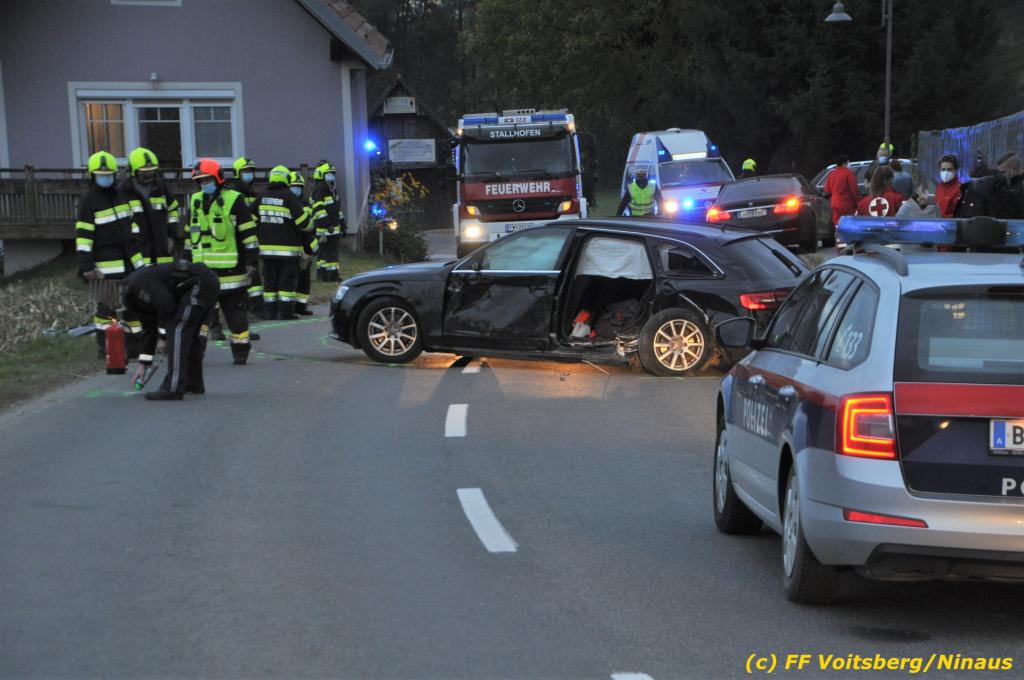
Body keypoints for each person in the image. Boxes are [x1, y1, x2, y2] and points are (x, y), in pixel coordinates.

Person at [185, 158, 258, 364]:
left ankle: (240, 352)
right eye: (200, 181)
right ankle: (196, 354)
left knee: (236, 317)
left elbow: (248, 232)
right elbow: (190, 236)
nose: (203, 184)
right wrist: (186, 262)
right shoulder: (195, 201)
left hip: (232, 272)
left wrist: (251, 260)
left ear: (217, 179)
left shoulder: (234, 200)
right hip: (203, 273)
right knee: (200, 318)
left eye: (207, 179)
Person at [75, 150, 145, 357]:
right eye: (100, 175)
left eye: (108, 175)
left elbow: (132, 227)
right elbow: (84, 236)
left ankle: (134, 349)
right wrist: (87, 266)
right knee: (107, 311)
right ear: (92, 175)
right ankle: (106, 351)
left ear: (115, 174)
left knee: (133, 307)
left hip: (130, 264)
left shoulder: (120, 194)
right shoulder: (88, 199)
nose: (105, 178)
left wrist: (139, 261)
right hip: (104, 266)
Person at [123, 260, 219, 401]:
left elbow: (167, 305)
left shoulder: (139, 284)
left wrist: (164, 338)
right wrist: (143, 364)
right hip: (201, 284)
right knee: (189, 335)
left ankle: (173, 388)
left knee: (178, 329)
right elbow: (149, 329)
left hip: (201, 282)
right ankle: (193, 383)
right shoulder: (133, 300)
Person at [257, 165, 313, 320]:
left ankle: (270, 313)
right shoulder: (289, 197)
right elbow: (304, 223)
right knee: (286, 284)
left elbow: (250, 220)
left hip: (267, 252)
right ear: (286, 179)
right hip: (288, 252)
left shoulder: (261, 197)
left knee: (270, 284)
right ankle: (285, 313)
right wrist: (311, 226)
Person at [120, 147, 180, 266]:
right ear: (132, 171)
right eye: (144, 174)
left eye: (152, 172)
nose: (149, 177)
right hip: (138, 255)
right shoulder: (123, 192)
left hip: (162, 253)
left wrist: (171, 236)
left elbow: (173, 210)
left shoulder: (161, 187)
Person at [225, 156, 266, 319]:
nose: (249, 174)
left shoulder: (252, 193)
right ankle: (247, 307)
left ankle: (256, 307)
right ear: (237, 173)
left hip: (251, 239)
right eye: (245, 171)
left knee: (253, 273)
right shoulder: (235, 193)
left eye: (250, 171)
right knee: (242, 274)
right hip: (237, 240)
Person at [289, 171, 319, 315]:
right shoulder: (287, 205)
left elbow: (311, 227)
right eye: (294, 186)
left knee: (305, 279)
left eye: (299, 187)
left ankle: (301, 306)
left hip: (306, 247)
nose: (297, 189)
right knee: (292, 279)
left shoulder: (306, 205)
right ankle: (291, 307)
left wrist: (311, 248)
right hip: (292, 248)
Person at [310, 161, 346, 282]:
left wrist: (343, 225)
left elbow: (336, 210)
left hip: (333, 229)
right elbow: (319, 210)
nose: (331, 176)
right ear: (321, 175)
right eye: (328, 174)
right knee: (324, 255)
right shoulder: (319, 190)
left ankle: (329, 275)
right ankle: (325, 276)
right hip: (324, 230)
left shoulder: (332, 190)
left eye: (332, 174)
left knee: (331, 254)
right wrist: (327, 224)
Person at [823, 154, 859, 229]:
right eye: (848, 162)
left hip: (835, 203)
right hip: (847, 204)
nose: (849, 164)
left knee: (837, 224)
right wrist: (858, 202)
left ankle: (838, 235)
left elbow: (827, 190)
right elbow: (854, 190)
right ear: (844, 163)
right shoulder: (849, 173)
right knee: (849, 224)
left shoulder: (831, 174)